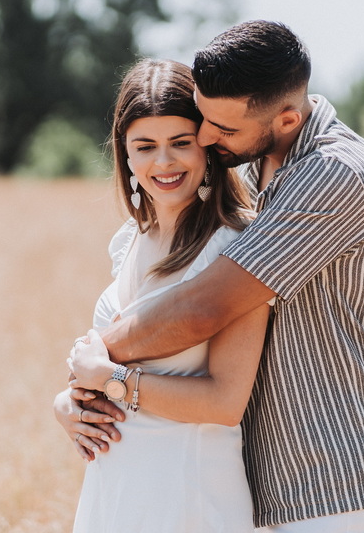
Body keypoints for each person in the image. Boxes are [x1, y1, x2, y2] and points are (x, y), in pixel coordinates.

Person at [80, 21, 364, 531]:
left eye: (223, 129)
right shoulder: (252, 161)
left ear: (285, 119)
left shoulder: (335, 172)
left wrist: (92, 369)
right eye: (205, 119)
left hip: (332, 468)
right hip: (262, 470)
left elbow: (203, 308)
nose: (206, 137)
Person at [53, 58, 268, 532]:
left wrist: (111, 381)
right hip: (114, 485)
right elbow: (109, 356)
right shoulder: (128, 238)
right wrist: (68, 406)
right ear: (125, 156)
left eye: (180, 143)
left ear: (207, 147)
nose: (163, 162)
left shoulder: (235, 249)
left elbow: (225, 402)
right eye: (145, 146)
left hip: (187, 492)